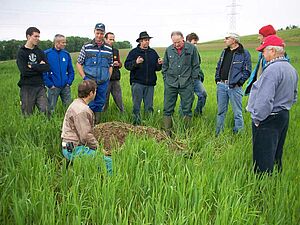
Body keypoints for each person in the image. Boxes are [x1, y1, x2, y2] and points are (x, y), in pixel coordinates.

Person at [246, 35, 298, 174]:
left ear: (273, 51)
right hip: (283, 115)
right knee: (276, 153)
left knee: (263, 156)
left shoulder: (271, 70)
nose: (262, 54)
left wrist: (257, 118)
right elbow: (294, 96)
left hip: (268, 117)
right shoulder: (290, 69)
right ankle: (275, 179)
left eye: (264, 51)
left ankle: (262, 187)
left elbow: (264, 99)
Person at [61, 80, 112, 174]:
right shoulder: (82, 110)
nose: (96, 93)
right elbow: (85, 135)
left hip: (71, 145)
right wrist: (99, 148)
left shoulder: (76, 104)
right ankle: (109, 183)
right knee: (108, 162)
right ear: (91, 93)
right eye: (95, 91)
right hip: (74, 148)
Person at [162, 31, 200, 136]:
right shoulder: (169, 50)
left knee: (186, 109)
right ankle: (167, 133)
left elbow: (196, 66)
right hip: (171, 84)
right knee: (167, 108)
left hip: (186, 84)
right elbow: (164, 66)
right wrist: (166, 79)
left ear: (183, 38)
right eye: (174, 42)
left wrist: (192, 80)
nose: (176, 44)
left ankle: (185, 133)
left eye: (178, 42)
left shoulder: (192, 49)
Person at [215, 33, 252, 135]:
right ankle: (218, 133)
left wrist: (239, 82)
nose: (225, 40)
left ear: (234, 40)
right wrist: (217, 79)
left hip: (235, 87)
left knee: (238, 113)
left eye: (227, 38)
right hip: (221, 85)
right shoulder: (224, 52)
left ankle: (239, 134)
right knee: (220, 112)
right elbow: (219, 66)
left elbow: (247, 70)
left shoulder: (244, 53)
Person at [76, 23, 113, 124]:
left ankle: (97, 126)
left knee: (100, 103)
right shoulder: (87, 46)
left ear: (104, 33)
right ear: (94, 32)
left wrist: (107, 77)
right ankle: (88, 125)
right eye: (97, 33)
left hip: (103, 82)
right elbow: (79, 63)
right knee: (90, 104)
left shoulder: (109, 49)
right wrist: (84, 78)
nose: (99, 36)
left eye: (101, 33)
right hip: (90, 82)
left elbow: (110, 65)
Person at [124, 31, 163, 125]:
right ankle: (136, 124)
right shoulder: (134, 52)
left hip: (150, 84)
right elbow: (127, 65)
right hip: (137, 83)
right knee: (136, 106)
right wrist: (136, 62)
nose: (147, 42)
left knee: (149, 106)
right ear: (140, 41)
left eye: (148, 40)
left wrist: (159, 64)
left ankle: (149, 123)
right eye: (145, 40)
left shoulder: (153, 53)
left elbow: (157, 68)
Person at [16, 27, 50, 116]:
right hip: (27, 86)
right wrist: (40, 67)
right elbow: (25, 72)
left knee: (46, 111)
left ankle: (46, 129)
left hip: (40, 86)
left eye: (39, 36)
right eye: (35, 36)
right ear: (28, 36)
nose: (38, 39)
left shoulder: (39, 51)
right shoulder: (21, 52)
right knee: (27, 114)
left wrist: (33, 66)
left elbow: (46, 67)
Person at [43, 34, 75, 114]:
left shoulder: (66, 54)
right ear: (57, 43)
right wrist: (50, 84)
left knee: (68, 108)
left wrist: (69, 82)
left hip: (65, 86)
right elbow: (43, 72)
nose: (65, 44)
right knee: (51, 108)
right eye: (63, 42)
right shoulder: (47, 54)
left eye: (65, 42)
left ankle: (68, 124)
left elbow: (71, 70)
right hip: (53, 87)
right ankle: (50, 123)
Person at [179, 32, 207, 116]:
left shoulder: (195, 51)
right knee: (186, 99)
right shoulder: (181, 51)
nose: (195, 45)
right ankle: (182, 117)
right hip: (185, 79)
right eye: (194, 43)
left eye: (196, 44)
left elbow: (197, 65)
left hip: (196, 78)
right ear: (187, 41)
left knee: (203, 94)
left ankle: (198, 113)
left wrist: (199, 76)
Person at [244, 25, 276, 95]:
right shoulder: (263, 52)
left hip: (266, 89)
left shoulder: (274, 52)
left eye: (260, 35)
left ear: (266, 36)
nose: (258, 38)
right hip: (260, 87)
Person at [103, 32, 124, 112]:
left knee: (119, 99)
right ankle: (103, 117)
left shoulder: (115, 51)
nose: (112, 41)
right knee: (105, 100)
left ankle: (123, 114)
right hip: (105, 79)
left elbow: (120, 64)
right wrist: (110, 64)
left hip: (115, 79)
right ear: (105, 39)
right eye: (110, 39)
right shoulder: (102, 50)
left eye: (113, 39)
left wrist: (118, 64)